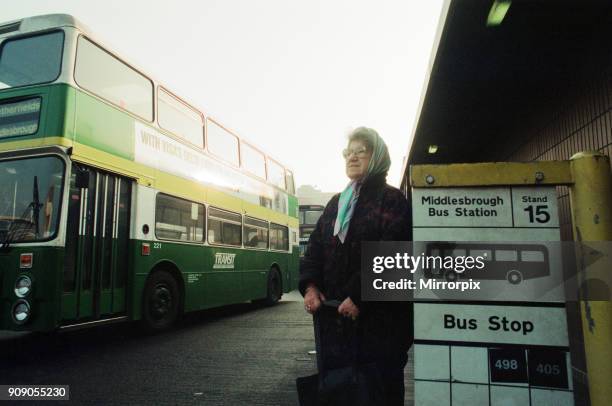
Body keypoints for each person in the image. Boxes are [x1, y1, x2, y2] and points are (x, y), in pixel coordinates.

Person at [300, 127, 413, 405]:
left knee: (379, 394)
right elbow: (314, 249)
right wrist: (311, 286)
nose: (352, 157)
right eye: (348, 153)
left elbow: (394, 256)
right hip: (336, 326)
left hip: (380, 326)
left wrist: (359, 296)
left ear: (377, 157)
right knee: (341, 393)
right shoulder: (336, 204)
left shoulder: (392, 200)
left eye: (361, 151)